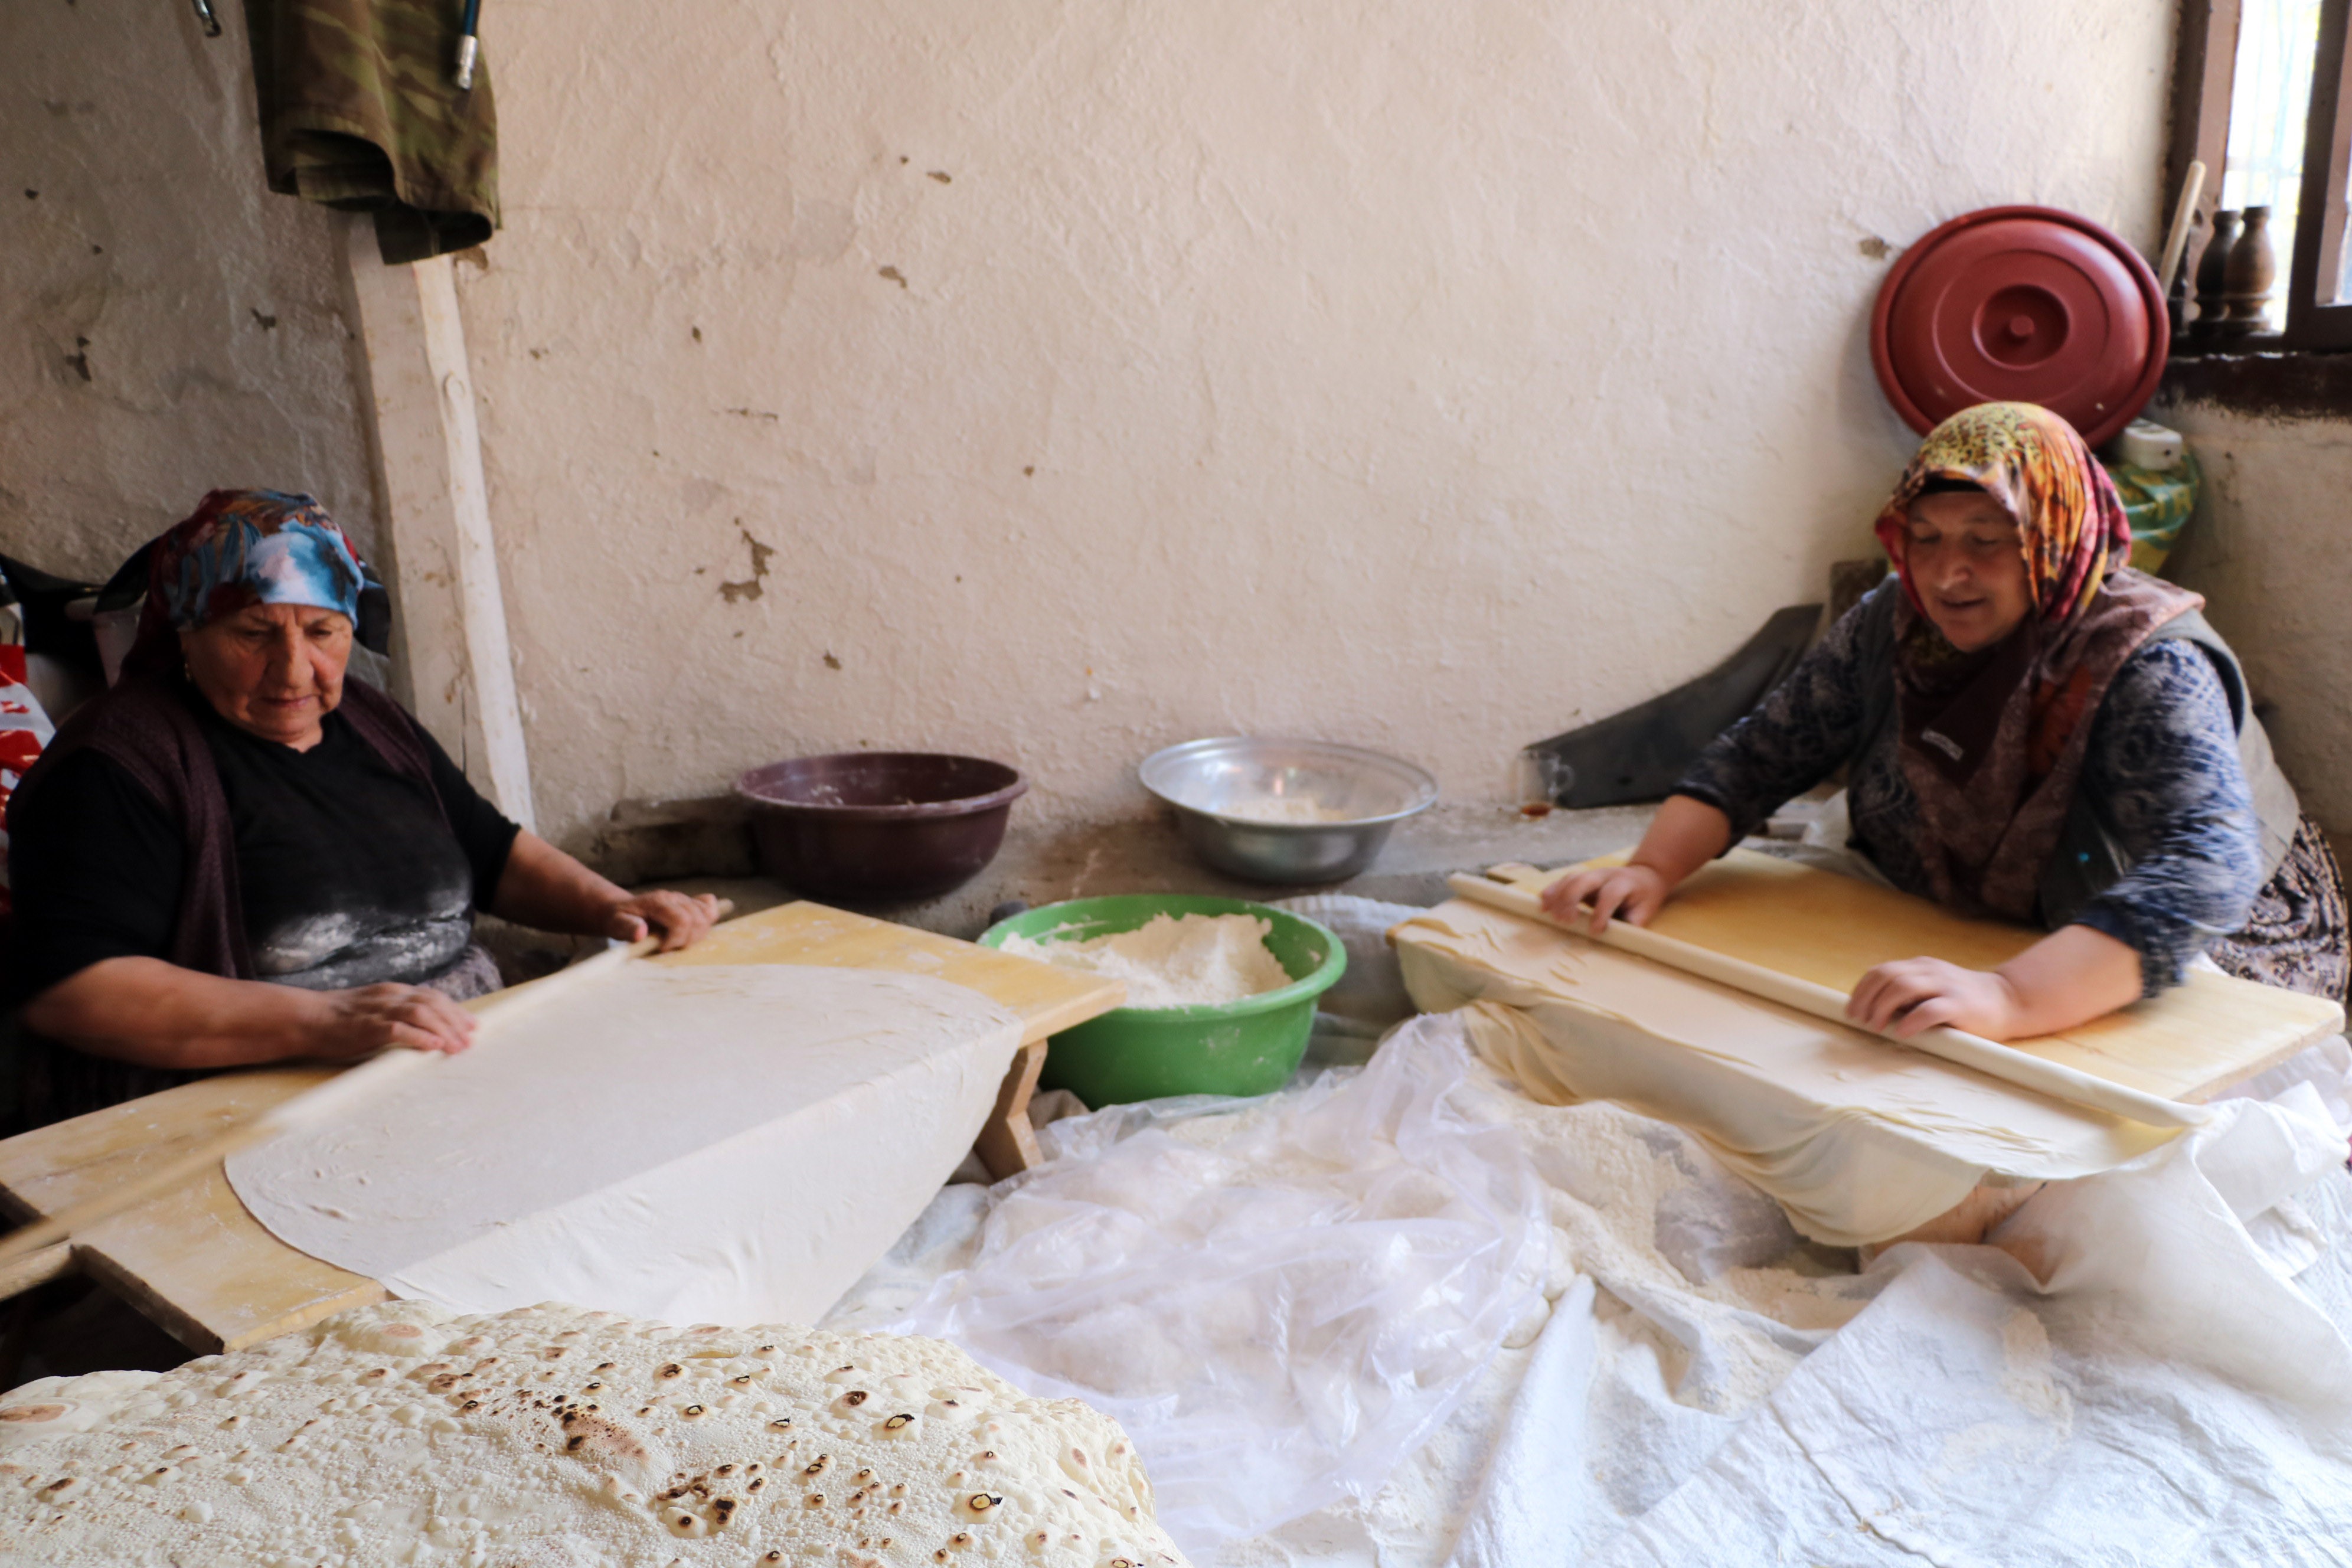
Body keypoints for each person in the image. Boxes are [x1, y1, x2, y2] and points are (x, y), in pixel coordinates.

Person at [1544, 401, 2347, 1046]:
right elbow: (1766, 749)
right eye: (1923, 539)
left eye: (1987, 541)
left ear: (2056, 538)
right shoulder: (1892, 623)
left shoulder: (2143, 663)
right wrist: (1652, 869)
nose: (1946, 574)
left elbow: (2206, 867)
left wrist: (2011, 996)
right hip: (1978, 917)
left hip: (2185, 938)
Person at [6, 489, 722, 1129]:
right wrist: (328, 1020)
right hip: (258, 1119)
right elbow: (73, 991)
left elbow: (489, 850)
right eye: (253, 633)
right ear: (186, 634)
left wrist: (616, 907)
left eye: (321, 633)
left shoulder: (372, 721)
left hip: (450, 1075)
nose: (293, 671)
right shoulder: (119, 766)